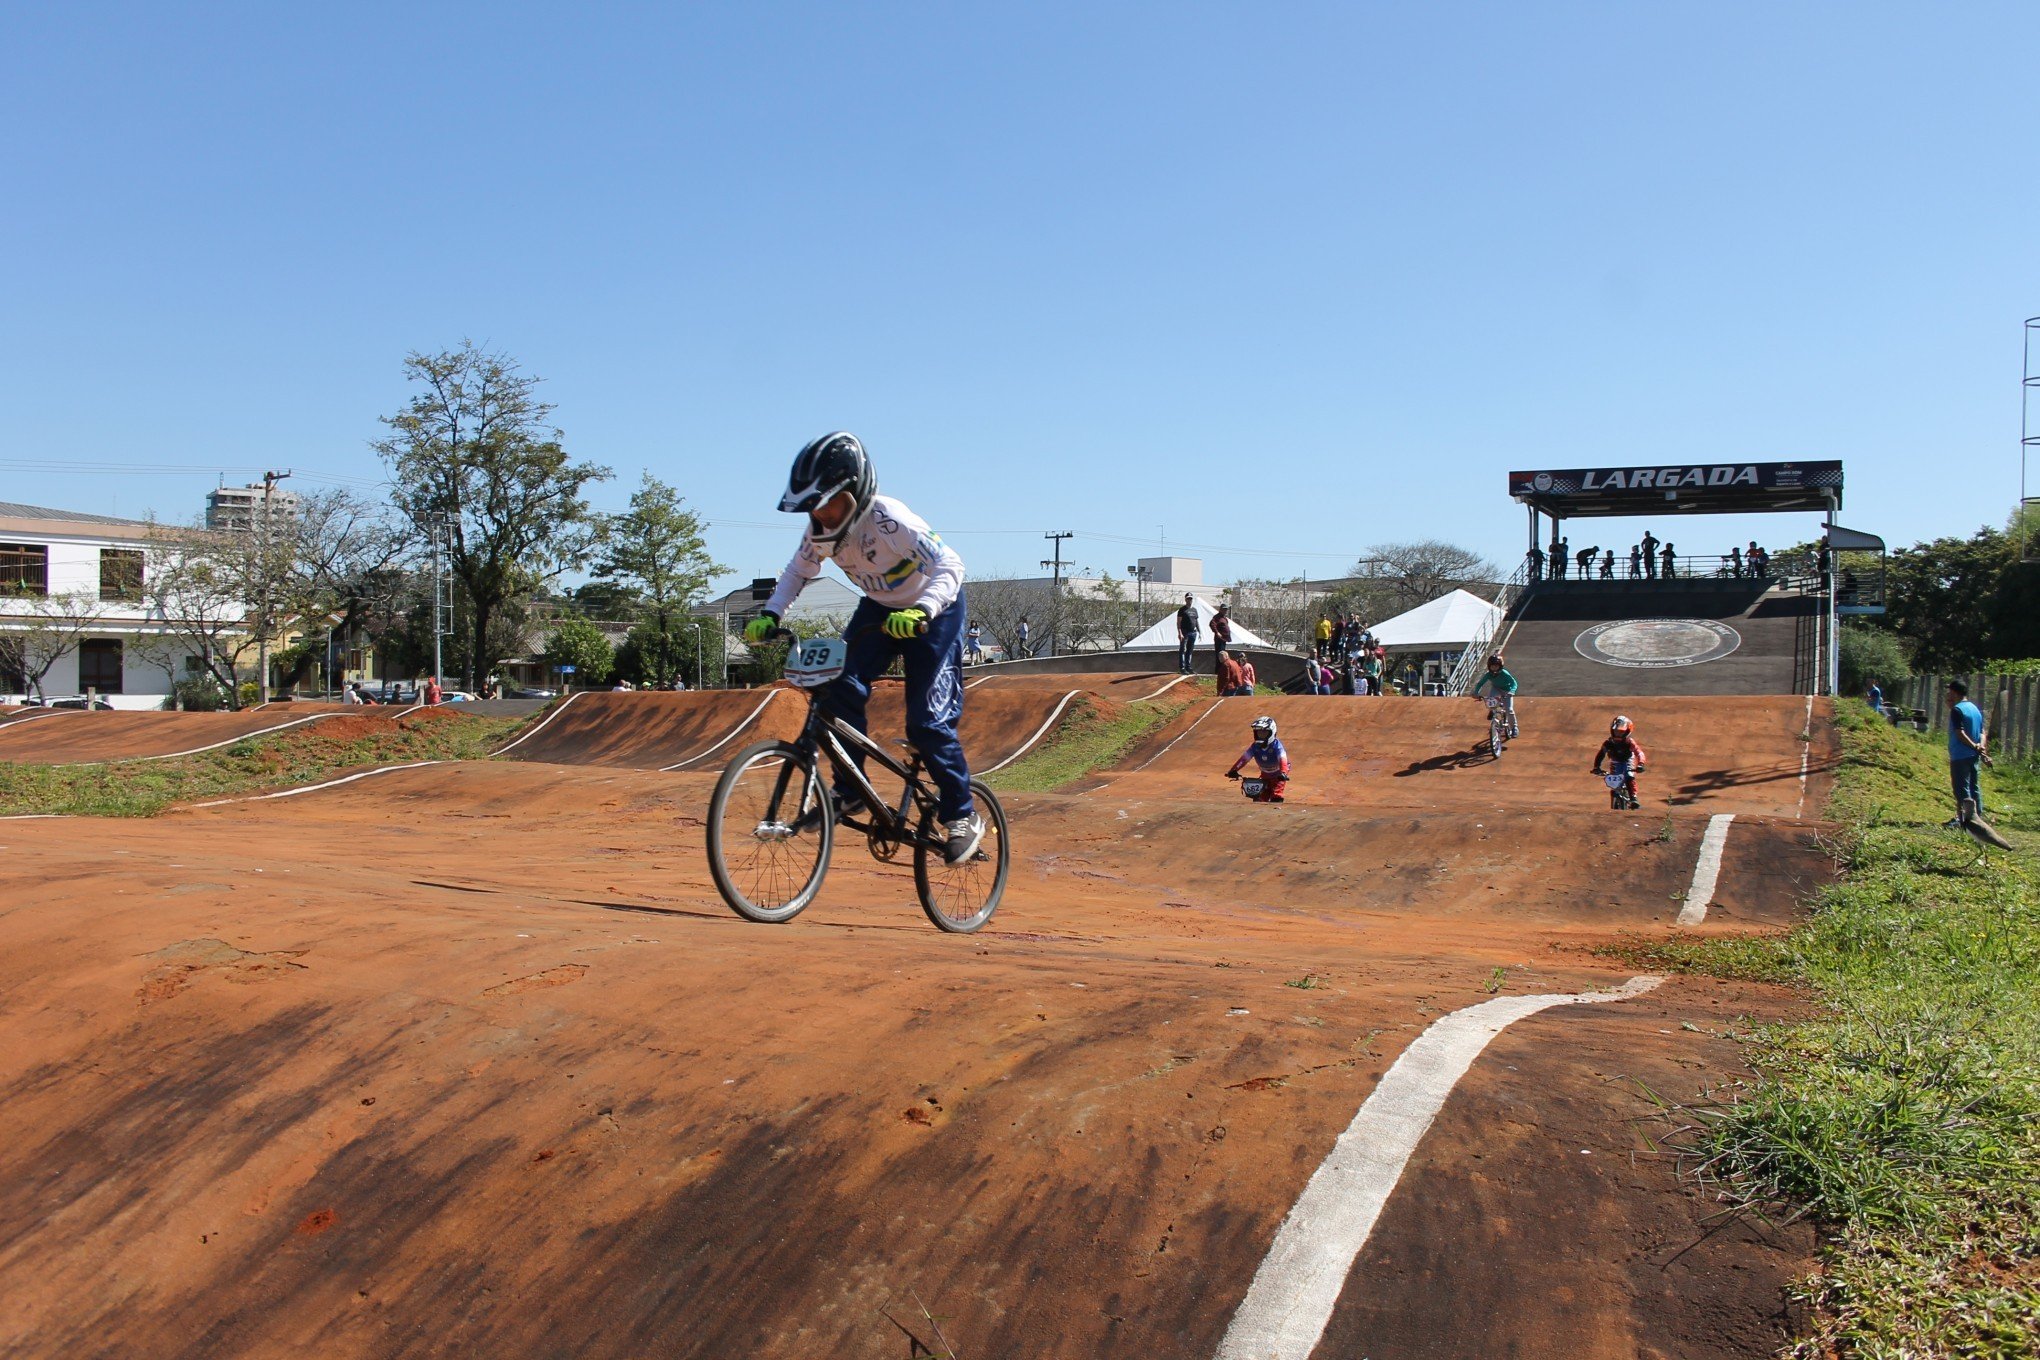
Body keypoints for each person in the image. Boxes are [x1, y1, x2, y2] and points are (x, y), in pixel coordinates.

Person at [742, 431, 982, 865]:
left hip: (934, 612)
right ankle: (850, 790)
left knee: (926, 724)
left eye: (829, 501)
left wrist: (925, 609)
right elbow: (798, 571)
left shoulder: (888, 519)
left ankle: (962, 815)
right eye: (813, 505)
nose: (820, 513)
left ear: (856, 493)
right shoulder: (819, 530)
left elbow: (952, 564)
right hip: (878, 610)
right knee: (838, 688)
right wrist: (772, 613)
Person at [1945, 679, 1987, 829]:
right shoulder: (1975, 709)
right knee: (1974, 787)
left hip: (1960, 755)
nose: (1948, 694)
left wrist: (1974, 745)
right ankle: (1978, 818)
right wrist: (1980, 747)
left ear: (1955, 693)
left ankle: (1965, 821)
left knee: (1961, 789)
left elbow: (1959, 733)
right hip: (1973, 756)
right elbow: (1982, 732)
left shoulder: (1957, 710)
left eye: (1949, 691)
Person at [1224, 715, 1291, 802]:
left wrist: (1283, 773)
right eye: (1259, 733)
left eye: (1264, 733)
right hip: (1265, 773)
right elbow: (1244, 759)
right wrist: (1234, 770)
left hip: (1278, 774)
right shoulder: (1255, 747)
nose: (1261, 736)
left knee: (1276, 795)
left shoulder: (1277, 746)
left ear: (1272, 732)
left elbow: (1283, 760)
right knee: (1260, 796)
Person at [1593, 714, 1648, 810]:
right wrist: (1596, 767)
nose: (1618, 734)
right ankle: (1615, 796)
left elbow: (1639, 753)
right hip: (1615, 762)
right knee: (1614, 780)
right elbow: (1601, 754)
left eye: (1621, 732)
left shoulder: (1629, 742)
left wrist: (1641, 764)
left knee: (1629, 776)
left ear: (1627, 731)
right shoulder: (1608, 743)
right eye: (1616, 732)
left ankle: (1633, 798)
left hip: (1627, 761)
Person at [1470, 653, 1520, 738]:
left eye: (1496, 666)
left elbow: (1514, 683)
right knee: (1490, 700)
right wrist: (1476, 693)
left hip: (1507, 690)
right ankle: (1492, 710)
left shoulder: (1504, 673)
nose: (1494, 668)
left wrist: (1512, 691)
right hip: (1496, 688)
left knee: (1509, 709)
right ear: (1489, 666)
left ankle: (1514, 727)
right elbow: (1480, 683)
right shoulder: (1488, 674)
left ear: (1500, 666)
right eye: (1492, 666)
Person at [1175, 595, 1199, 674]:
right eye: (1188, 598)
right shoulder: (1182, 610)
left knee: (1190, 650)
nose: (1189, 600)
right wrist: (1179, 632)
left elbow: (1196, 621)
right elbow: (1178, 622)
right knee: (1183, 650)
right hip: (1185, 632)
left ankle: (1188, 667)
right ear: (1185, 599)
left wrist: (1199, 631)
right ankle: (1182, 667)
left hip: (1193, 632)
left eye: (1191, 599)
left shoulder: (1194, 610)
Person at [1210, 603, 1234, 675]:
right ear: (1220, 609)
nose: (1225, 611)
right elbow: (1212, 624)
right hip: (1219, 640)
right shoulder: (1217, 617)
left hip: (1224, 639)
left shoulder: (1224, 618)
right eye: (1224, 609)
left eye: (1226, 609)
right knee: (1220, 656)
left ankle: (1222, 671)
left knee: (1223, 656)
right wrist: (1217, 632)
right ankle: (1218, 672)